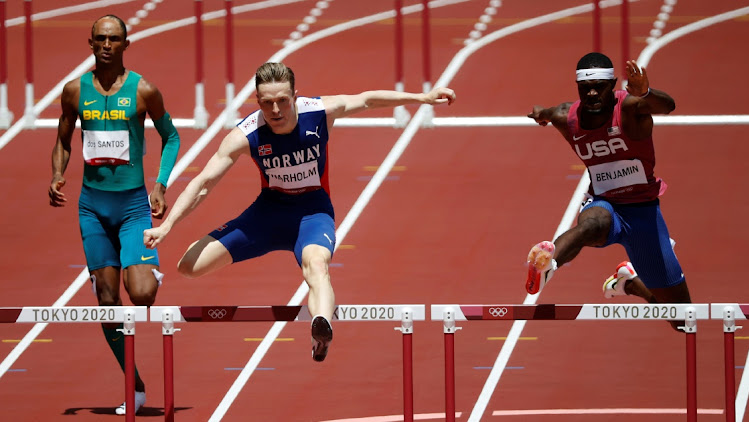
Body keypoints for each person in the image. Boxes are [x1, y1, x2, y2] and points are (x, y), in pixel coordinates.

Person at [143, 62, 456, 361]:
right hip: (268, 214)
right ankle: (321, 316)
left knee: (316, 265)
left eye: (282, 100)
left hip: (312, 211)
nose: (276, 110)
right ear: (257, 101)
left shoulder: (318, 111)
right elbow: (203, 183)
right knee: (189, 266)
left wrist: (421, 97)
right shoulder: (245, 134)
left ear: (294, 96)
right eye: (267, 103)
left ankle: (321, 325)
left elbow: (366, 99)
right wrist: (167, 226)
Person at [48, 15, 180, 414]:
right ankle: (134, 385)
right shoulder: (74, 91)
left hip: (133, 206)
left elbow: (171, 136)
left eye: (115, 39)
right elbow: (63, 138)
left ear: (126, 44)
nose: (107, 44)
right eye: (101, 39)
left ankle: (144, 269)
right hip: (92, 207)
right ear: (90, 43)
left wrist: (160, 184)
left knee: (141, 294)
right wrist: (56, 173)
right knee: (107, 300)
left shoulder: (144, 90)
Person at [525, 52, 690, 330]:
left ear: (612, 85)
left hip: (643, 214)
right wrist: (540, 114)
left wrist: (646, 92)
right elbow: (548, 112)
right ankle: (546, 266)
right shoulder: (567, 117)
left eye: (599, 86)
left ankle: (630, 283)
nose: (591, 92)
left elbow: (668, 106)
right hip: (605, 204)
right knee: (592, 224)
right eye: (585, 87)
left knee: (684, 321)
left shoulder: (630, 109)